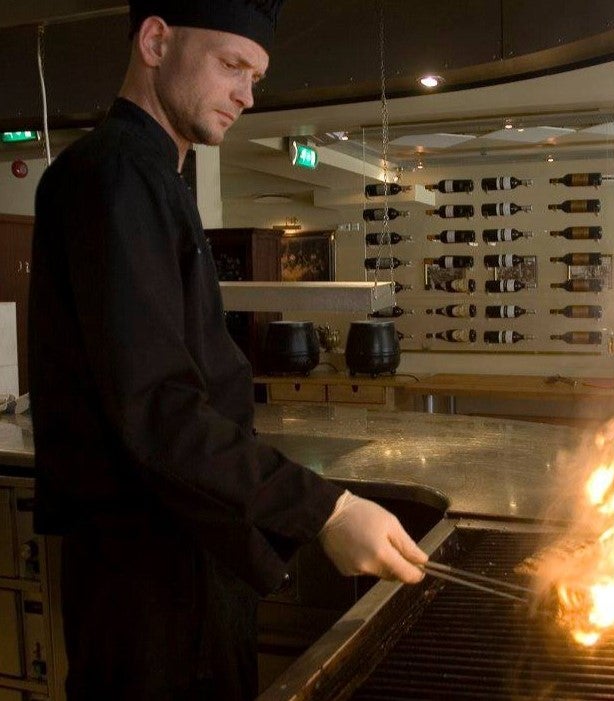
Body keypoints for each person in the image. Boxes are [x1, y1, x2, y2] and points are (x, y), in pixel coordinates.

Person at [27, 1, 427, 699]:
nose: (246, 94)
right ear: (156, 41)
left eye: (256, 77)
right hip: (146, 585)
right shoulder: (116, 177)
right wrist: (325, 509)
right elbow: (159, 409)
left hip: (187, 560)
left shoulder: (157, 180)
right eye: (232, 65)